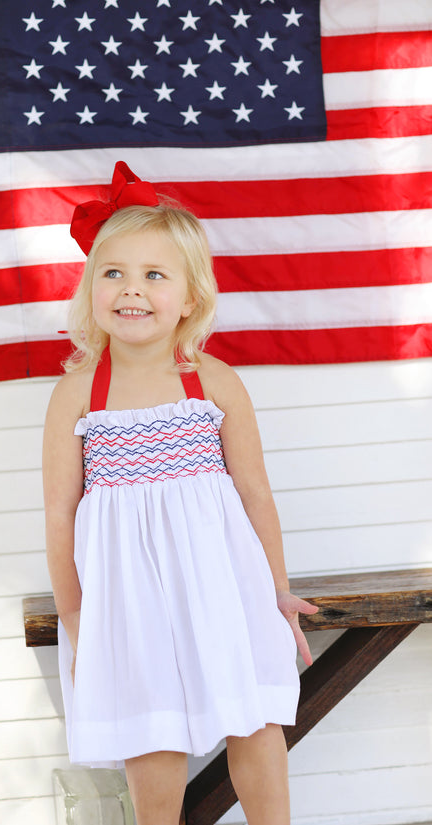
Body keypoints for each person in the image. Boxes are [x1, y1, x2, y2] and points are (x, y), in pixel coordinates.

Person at [43, 161, 318, 825]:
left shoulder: (212, 381)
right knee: (152, 728)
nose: (131, 291)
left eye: (154, 275)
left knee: (252, 717)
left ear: (190, 298)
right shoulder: (79, 392)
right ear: (91, 288)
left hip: (222, 583)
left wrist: (275, 588)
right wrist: (77, 615)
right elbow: (60, 511)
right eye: (114, 273)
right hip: (127, 597)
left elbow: (255, 492)